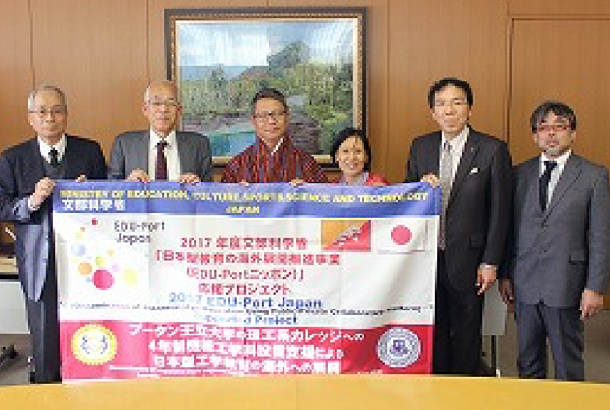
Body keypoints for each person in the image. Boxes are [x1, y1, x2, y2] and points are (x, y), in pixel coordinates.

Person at [405, 77, 512, 375]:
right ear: (433, 112)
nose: (449, 110)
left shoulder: (492, 149)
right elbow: (409, 205)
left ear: (469, 109)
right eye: (441, 104)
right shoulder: (420, 146)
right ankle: (437, 388)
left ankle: (466, 392)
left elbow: (500, 212)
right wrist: (419, 189)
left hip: (471, 259)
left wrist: (491, 261)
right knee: (433, 329)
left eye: (457, 102)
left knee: (466, 333)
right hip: (427, 258)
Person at [0, 85, 107, 383]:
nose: (50, 118)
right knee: (45, 337)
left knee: (90, 330)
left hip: (86, 259)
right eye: (42, 112)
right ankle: (46, 390)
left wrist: (90, 193)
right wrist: (32, 201)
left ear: (67, 115)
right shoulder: (12, 158)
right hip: (38, 258)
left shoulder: (90, 151)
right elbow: (3, 206)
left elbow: (112, 200)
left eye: (57, 110)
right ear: (30, 118)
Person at [499, 101, 610, 381]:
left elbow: (601, 236)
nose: (551, 134)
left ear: (572, 133)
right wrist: (505, 275)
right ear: (535, 135)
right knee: (527, 361)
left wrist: (595, 287)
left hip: (567, 283)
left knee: (568, 364)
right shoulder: (518, 174)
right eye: (543, 128)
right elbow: (509, 230)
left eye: (559, 127)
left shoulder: (594, 176)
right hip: (524, 282)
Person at [108, 80, 212, 182]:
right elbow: (109, 190)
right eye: (156, 103)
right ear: (145, 109)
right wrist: (127, 185)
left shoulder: (199, 144)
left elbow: (212, 191)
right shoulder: (124, 144)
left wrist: (199, 186)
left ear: (179, 110)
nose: (163, 109)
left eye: (171, 103)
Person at [221, 87, 327, 183]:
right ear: (253, 121)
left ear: (287, 117)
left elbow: (325, 202)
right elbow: (222, 203)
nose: (271, 121)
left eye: (277, 114)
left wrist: (308, 192)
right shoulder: (236, 166)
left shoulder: (307, 164)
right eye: (263, 115)